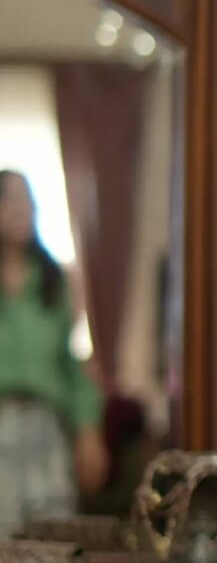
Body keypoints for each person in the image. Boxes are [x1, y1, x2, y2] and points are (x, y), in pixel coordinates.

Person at [0, 170, 107, 535]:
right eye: (11, 199)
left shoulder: (54, 281)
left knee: (53, 536)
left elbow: (72, 364)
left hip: (46, 429)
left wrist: (88, 429)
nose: (22, 208)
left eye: (27, 199)